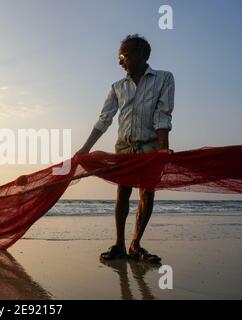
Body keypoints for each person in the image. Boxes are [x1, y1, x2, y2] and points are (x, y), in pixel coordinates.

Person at [76, 34, 175, 263]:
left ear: (141, 54)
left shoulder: (164, 79)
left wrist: (163, 148)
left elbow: (163, 114)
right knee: (123, 191)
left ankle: (135, 244)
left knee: (147, 193)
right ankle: (119, 244)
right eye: (119, 58)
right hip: (124, 147)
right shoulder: (117, 87)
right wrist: (85, 148)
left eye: (124, 56)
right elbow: (104, 119)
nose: (120, 62)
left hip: (150, 146)